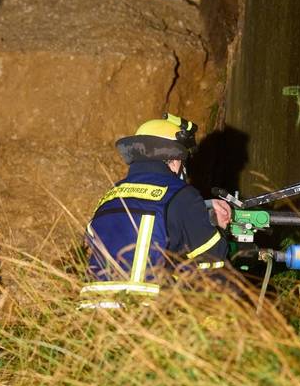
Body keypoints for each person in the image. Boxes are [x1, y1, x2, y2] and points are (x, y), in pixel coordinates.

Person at [81, 114, 232, 308]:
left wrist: (202, 208)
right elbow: (212, 265)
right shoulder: (183, 195)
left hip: (92, 316)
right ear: (175, 160)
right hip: (145, 315)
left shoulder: (109, 198)